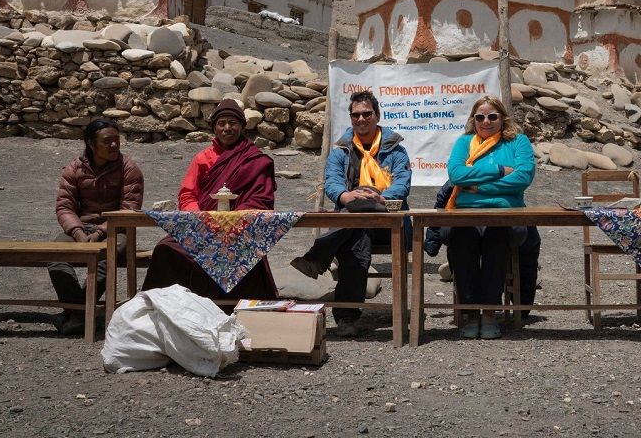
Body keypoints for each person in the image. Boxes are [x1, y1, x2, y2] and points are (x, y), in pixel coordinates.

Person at [290, 90, 412, 337]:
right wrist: (345, 196)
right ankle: (346, 317)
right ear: (350, 118)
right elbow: (332, 181)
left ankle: (317, 258)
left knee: (363, 207)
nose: (361, 119)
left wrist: (380, 197)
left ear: (377, 115)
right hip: (355, 224)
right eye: (356, 115)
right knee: (358, 234)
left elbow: (402, 184)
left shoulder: (396, 150)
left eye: (367, 113)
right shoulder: (341, 150)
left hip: (390, 222)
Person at [142, 98, 279, 303]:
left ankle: (235, 306)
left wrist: (231, 221)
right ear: (214, 127)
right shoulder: (203, 158)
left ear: (241, 126)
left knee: (242, 254)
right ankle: (166, 306)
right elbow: (188, 194)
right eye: (221, 123)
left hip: (239, 228)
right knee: (165, 248)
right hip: (201, 225)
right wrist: (200, 217)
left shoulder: (255, 160)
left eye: (232, 123)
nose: (227, 128)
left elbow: (261, 198)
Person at [444, 95, 535, 339]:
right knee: (462, 241)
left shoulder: (518, 142)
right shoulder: (464, 143)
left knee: (496, 238)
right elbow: (456, 175)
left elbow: (522, 178)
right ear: (473, 120)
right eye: (480, 117)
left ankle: (490, 314)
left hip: (506, 215)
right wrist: (497, 171)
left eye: (492, 116)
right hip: (466, 215)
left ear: (502, 119)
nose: (486, 121)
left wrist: (478, 187)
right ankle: (471, 313)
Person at [49, 118, 143, 335]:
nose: (114, 146)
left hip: (117, 229)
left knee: (108, 256)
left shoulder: (128, 168)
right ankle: (81, 313)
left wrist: (102, 231)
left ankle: (75, 314)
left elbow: (129, 209)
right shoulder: (75, 168)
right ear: (91, 144)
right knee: (55, 256)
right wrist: (77, 231)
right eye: (107, 141)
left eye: (116, 140)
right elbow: (64, 206)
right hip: (82, 228)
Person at [425, 179, 541, 318]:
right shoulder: (465, 168)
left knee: (499, 239)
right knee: (461, 236)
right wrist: (434, 240)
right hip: (466, 225)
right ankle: (471, 312)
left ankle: (492, 312)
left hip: (502, 225)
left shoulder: (509, 168)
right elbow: (445, 196)